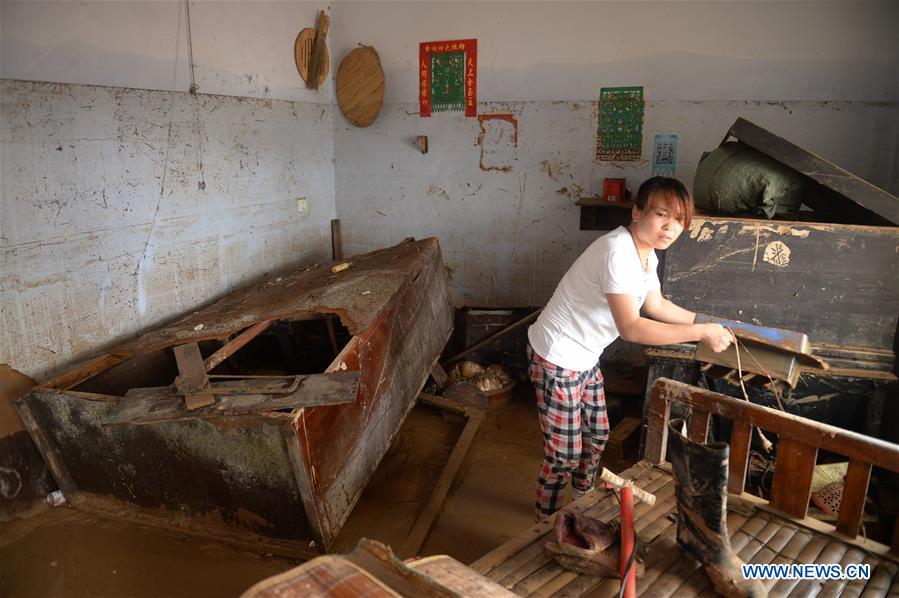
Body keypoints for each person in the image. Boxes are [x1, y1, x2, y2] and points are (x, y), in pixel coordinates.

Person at [526, 176, 733, 521]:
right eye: (661, 214)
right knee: (564, 454)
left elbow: (657, 306)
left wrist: (712, 323)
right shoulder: (617, 251)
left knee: (597, 437)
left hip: (585, 357)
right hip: (556, 356)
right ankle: (544, 522)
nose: (670, 227)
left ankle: (581, 502)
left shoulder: (646, 255)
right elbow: (632, 327)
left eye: (679, 220)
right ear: (637, 213)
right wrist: (700, 333)